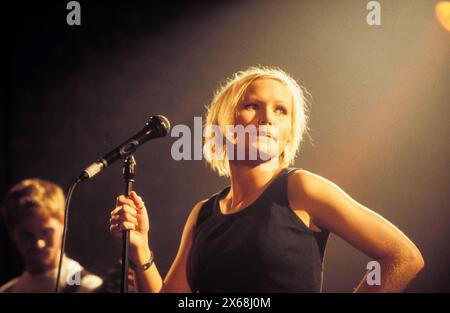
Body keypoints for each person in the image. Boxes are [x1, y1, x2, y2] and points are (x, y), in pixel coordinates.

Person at [109, 66, 425, 293]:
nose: (267, 118)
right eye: (252, 106)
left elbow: (403, 256)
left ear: (289, 134)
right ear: (223, 123)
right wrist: (140, 250)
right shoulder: (203, 214)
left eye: (281, 111)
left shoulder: (300, 189)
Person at [0, 178, 103, 293]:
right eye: (27, 235)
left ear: (63, 224)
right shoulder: (7, 290)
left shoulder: (86, 286)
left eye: (46, 232)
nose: (39, 243)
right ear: (12, 233)